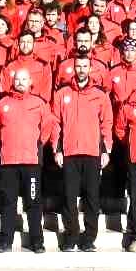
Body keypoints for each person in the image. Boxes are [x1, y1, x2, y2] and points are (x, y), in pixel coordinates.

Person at [0, 68, 55, 253]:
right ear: (12, 81)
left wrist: (36, 144)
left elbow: (47, 127)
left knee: (33, 202)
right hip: (8, 161)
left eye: (24, 79)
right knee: (8, 202)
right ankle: (5, 240)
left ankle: (37, 241)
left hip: (31, 161)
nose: (20, 82)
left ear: (30, 81)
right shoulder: (2, 103)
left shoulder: (39, 103)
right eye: (17, 79)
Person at [53, 55, 114, 252]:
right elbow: (55, 124)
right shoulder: (62, 94)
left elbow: (107, 124)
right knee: (69, 197)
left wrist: (107, 150)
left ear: (90, 69)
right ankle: (71, 236)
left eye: (84, 66)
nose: (81, 69)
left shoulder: (100, 95)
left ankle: (88, 238)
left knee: (92, 197)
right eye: (78, 66)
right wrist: (57, 149)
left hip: (92, 153)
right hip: (69, 153)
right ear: (73, 68)